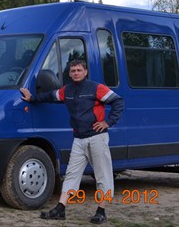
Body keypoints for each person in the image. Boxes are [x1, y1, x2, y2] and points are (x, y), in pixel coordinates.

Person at [20, 59, 124, 224]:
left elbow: (118, 101)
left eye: (79, 70)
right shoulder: (67, 90)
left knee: (102, 174)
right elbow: (50, 96)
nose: (76, 73)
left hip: (97, 137)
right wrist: (32, 98)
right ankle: (60, 209)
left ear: (85, 72)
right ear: (69, 73)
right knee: (71, 175)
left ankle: (101, 211)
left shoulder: (96, 88)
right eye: (73, 71)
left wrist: (108, 122)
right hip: (78, 139)